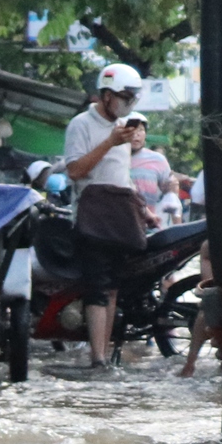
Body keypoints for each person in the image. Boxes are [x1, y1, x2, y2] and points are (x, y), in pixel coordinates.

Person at [60, 63, 153, 369]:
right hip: (92, 215)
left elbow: (121, 177)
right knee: (97, 287)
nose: (128, 105)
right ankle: (97, 358)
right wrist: (110, 142)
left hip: (120, 214)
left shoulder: (124, 129)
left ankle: (104, 356)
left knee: (113, 287)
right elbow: (75, 171)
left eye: (132, 99)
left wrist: (143, 209)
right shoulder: (81, 124)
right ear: (106, 95)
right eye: (124, 97)